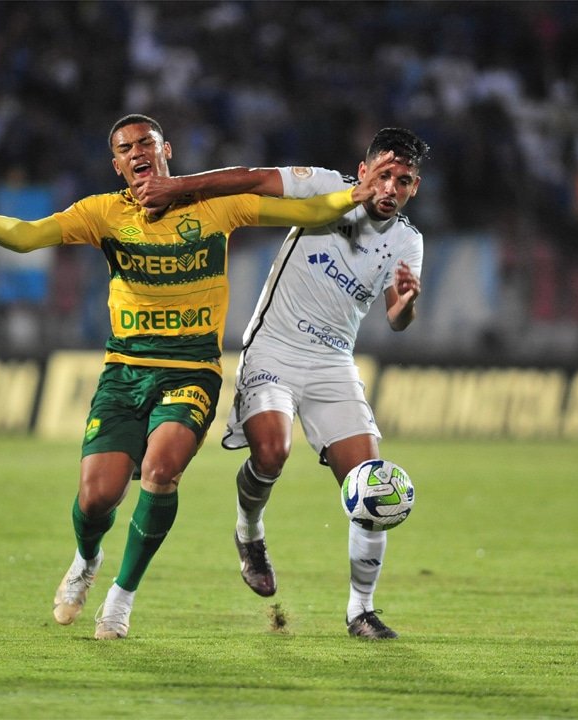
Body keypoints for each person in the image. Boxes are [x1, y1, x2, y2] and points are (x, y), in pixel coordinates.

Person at [0, 114, 392, 640]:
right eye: (125, 148)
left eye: (145, 143)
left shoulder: (215, 206)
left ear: (166, 150)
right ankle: (87, 559)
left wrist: (354, 195)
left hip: (191, 370)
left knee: (161, 471)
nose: (136, 152)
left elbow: (305, 210)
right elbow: (27, 236)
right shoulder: (102, 213)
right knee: (96, 498)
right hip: (125, 370)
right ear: (116, 164)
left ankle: (121, 598)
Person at [133, 127, 428, 640]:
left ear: (414, 188)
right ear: (363, 172)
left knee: (371, 483)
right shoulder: (322, 186)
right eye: (384, 175)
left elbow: (397, 318)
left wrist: (405, 306)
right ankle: (249, 533)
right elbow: (249, 178)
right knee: (271, 452)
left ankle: (361, 610)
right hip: (274, 347)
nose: (390, 188)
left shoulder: (408, 240)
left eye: (402, 181)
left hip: (333, 363)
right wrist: (176, 187)